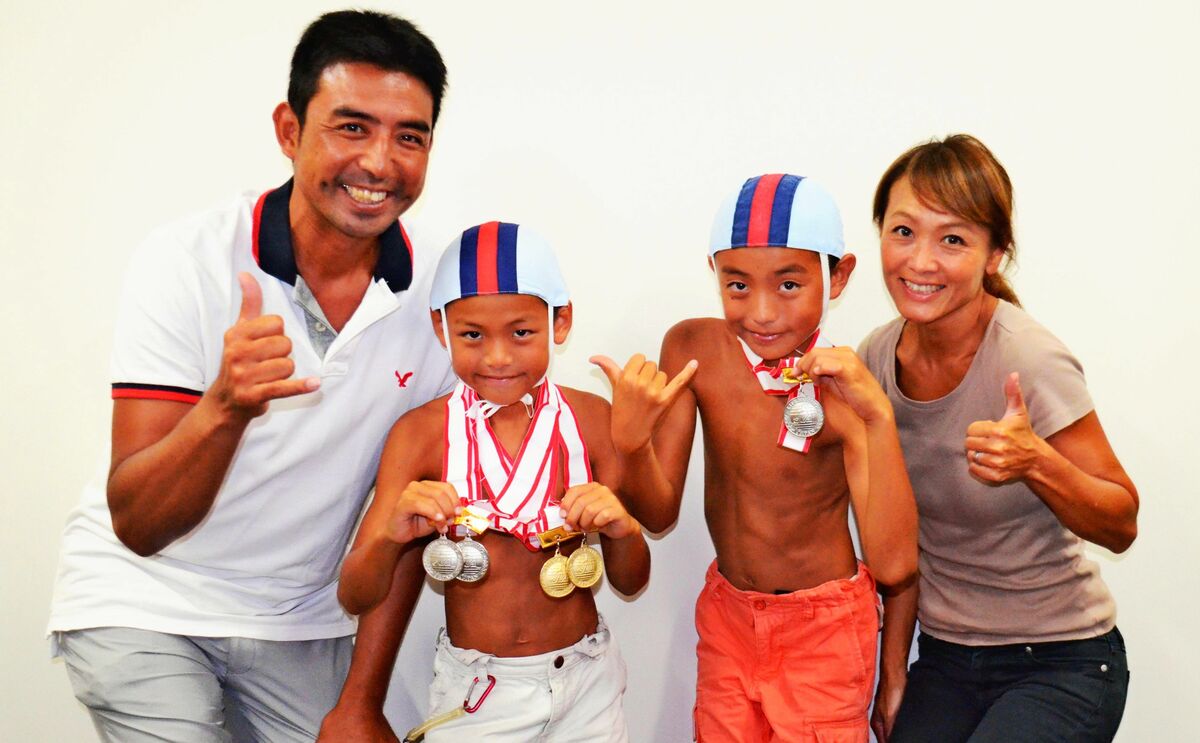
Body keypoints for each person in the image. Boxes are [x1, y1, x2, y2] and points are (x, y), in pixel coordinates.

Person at [45, 11, 455, 742]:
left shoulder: (441, 296)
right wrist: (225, 408)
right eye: (351, 127)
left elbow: (409, 520)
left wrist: (361, 701)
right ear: (290, 131)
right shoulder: (187, 259)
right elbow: (138, 524)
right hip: (146, 600)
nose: (380, 162)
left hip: (300, 621)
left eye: (409, 136)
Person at [592, 174, 919, 741]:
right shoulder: (693, 348)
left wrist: (878, 420)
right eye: (737, 285)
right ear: (714, 272)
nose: (762, 312)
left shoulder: (848, 389)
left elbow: (893, 567)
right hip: (728, 617)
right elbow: (659, 512)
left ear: (836, 275)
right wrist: (630, 443)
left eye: (789, 285)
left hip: (826, 631)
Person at [859, 134, 1138, 743]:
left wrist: (1037, 462)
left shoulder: (1026, 356)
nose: (920, 261)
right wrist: (893, 671)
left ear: (994, 255)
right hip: (948, 659)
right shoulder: (876, 360)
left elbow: (1122, 520)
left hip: (1062, 660)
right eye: (903, 231)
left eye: (952, 239)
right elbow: (902, 547)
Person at [336, 221, 651, 742]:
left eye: (522, 332)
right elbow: (355, 594)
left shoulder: (593, 419)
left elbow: (631, 581)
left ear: (561, 320)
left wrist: (624, 531)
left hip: (588, 678)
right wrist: (392, 534)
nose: (498, 356)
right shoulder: (420, 435)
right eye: (472, 335)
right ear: (441, 329)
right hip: (479, 692)